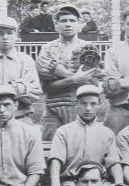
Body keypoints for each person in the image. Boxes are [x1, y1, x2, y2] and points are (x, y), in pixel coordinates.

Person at [47, 85, 127, 186]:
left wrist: (119, 184)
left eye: (93, 104)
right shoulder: (64, 131)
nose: (88, 108)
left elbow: (114, 162)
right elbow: (56, 160)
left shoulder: (106, 133)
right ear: (76, 104)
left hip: (98, 184)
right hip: (71, 184)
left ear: (99, 104)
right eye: (83, 104)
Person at [36, 5, 98, 141]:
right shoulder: (47, 49)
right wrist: (74, 79)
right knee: (50, 150)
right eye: (63, 21)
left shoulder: (88, 48)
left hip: (81, 108)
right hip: (54, 108)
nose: (68, 24)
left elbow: (93, 83)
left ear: (79, 24)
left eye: (72, 20)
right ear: (56, 25)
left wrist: (60, 74)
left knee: (82, 150)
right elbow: (46, 87)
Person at [0, 17, 42, 127]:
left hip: (21, 119)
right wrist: (14, 89)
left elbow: (32, 96)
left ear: (16, 36)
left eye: (9, 33)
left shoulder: (26, 61)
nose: (5, 37)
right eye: (1, 33)